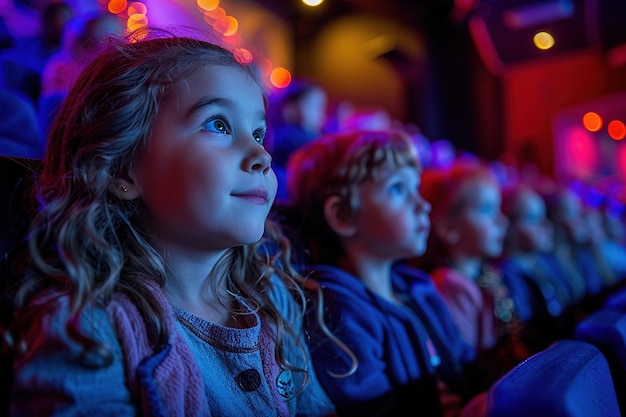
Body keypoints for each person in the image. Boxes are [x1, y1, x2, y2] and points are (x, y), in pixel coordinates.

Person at [7, 28, 336, 416]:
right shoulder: (87, 328)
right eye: (218, 124)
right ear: (124, 171)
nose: (261, 156)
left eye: (259, 133)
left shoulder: (274, 300)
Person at [281, 129, 491, 417]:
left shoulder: (420, 290)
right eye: (397, 189)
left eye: (415, 188)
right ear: (343, 215)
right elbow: (371, 409)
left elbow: (468, 365)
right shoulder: (339, 312)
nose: (423, 204)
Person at [417, 159, 530, 380]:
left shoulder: (487, 275)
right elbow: (470, 368)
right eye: (487, 210)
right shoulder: (451, 285)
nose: (501, 220)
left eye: (498, 209)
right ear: (449, 228)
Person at [498, 181, 577, 351]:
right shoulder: (507, 275)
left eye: (544, 217)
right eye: (532, 219)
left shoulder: (544, 263)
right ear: (509, 227)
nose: (546, 225)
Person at [266, 78, 327, 201]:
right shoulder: (291, 138)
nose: (320, 113)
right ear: (290, 109)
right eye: (315, 106)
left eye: (322, 107)